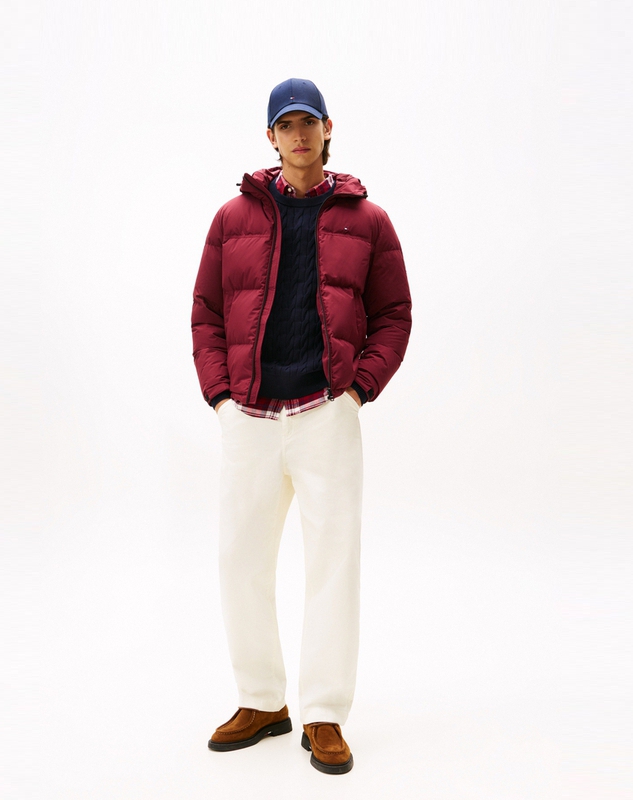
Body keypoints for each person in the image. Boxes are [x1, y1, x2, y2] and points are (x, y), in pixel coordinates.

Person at [191, 78, 412, 775]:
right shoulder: (232, 218)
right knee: (240, 560)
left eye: (307, 122)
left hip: (325, 412)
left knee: (333, 563)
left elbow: (394, 315)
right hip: (250, 416)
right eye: (285, 125)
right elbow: (206, 313)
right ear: (270, 137)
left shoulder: (368, 220)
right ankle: (262, 701)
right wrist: (221, 397)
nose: (298, 135)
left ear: (327, 128)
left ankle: (323, 713)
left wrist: (358, 390)